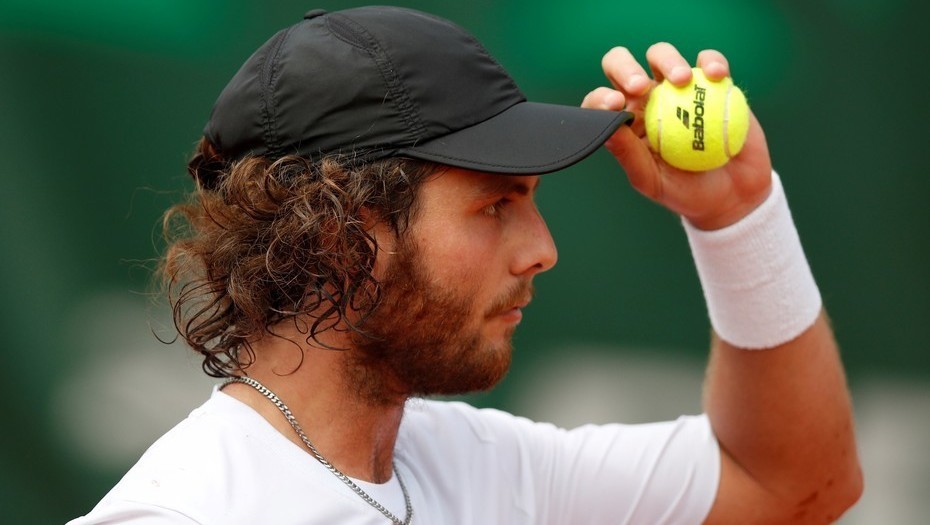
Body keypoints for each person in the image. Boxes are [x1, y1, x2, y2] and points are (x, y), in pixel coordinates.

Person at [69, 6, 862, 524]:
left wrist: (738, 217)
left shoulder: (489, 466)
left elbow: (793, 481)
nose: (541, 249)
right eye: (494, 205)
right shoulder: (185, 511)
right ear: (338, 233)